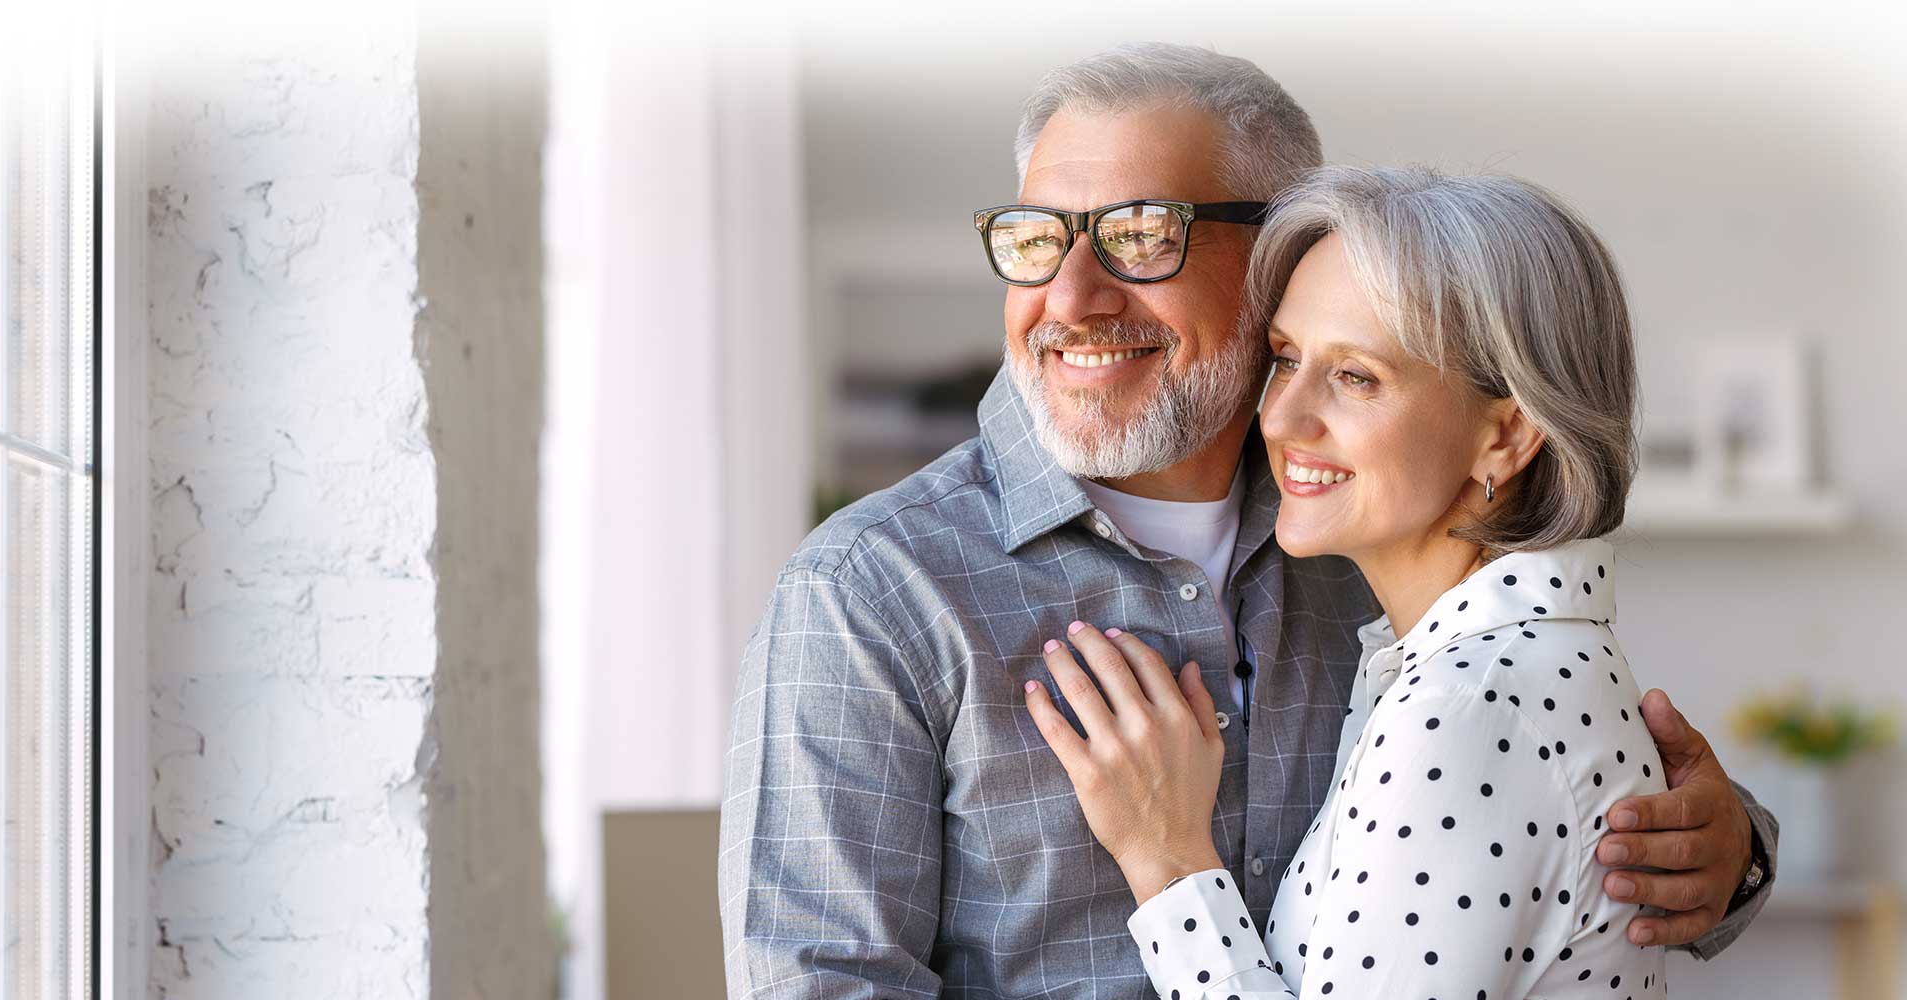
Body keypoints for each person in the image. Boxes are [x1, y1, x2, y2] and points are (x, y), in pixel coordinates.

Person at [718, 43, 1775, 1000]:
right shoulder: (870, 595)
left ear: (1274, 258)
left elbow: (1541, 834)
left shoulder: (1378, 534)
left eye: (1139, 235)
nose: (1071, 296)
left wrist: (1728, 855)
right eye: (1037, 239)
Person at [1024, 165, 1694, 999]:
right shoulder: (1475, 668)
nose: (1280, 416)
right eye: (1286, 358)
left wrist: (1166, 860)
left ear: (1507, 436)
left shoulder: (1469, 705)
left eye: (1356, 377)